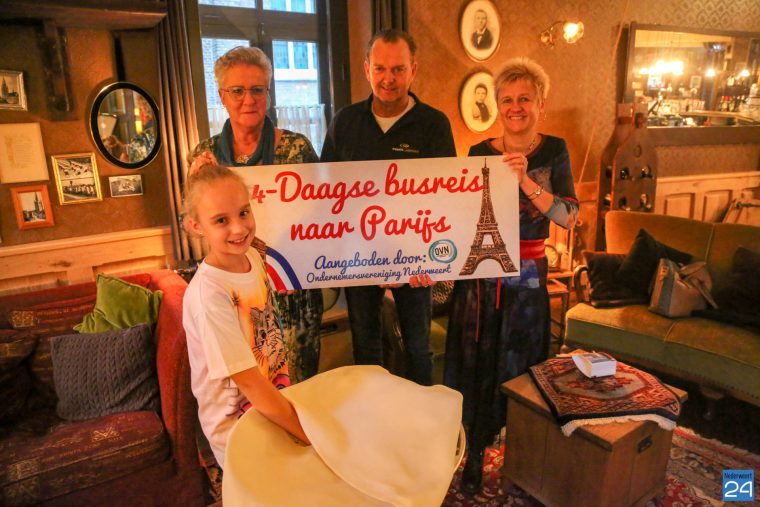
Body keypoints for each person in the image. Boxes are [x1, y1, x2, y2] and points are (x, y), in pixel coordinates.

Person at [443, 57, 579, 493]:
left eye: (525, 99)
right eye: (507, 100)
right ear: (498, 106)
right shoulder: (479, 153)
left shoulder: (554, 150)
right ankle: (474, 455)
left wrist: (526, 182)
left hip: (528, 277)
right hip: (479, 281)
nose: (516, 107)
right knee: (474, 362)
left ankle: (522, 457)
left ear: (541, 104)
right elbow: (461, 217)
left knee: (522, 365)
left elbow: (569, 216)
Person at [320, 29, 455, 386]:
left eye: (398, 69)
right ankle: (375, 414)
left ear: (414, 70)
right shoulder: (345, 122)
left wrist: (431, 260)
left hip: (416, 258)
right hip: (358, 256)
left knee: (418, 349)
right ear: (367, 69)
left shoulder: (435, 125)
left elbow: (447, 200)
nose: (388, 78)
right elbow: (325, 192)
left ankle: (420, 415)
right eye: (380, 68)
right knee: (365, 348)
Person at [189, 46, 323, 384]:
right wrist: (196, 182)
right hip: (237, 293)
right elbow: (197, 225)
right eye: (237, 90)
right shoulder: (205, 156)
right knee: (249, 392)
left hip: (293, 294)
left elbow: (324, 216)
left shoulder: (297, 149)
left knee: (300, 388)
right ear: (222, 95)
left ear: (268, 93)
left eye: (257, 90)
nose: (248, 99)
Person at [182, 163, 311, 468]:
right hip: (237, 430)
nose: (239, 228)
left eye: (243, 212)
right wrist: (309, 435)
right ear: (196, 226)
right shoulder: (208, 297)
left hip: (271, 405)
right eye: (221, 220)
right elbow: (249, 383)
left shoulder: (252, 255)